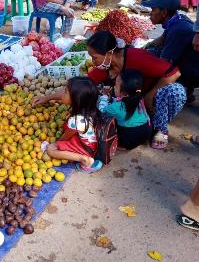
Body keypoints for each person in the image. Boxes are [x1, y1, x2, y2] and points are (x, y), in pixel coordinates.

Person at [33, 31, 187, 150]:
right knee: (98, 97)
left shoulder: (136, 57)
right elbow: (79, 88)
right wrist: (48, 97)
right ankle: (137, 127)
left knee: (176, 91)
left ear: (109, 54)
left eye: (94, 57)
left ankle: (160, 128)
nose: (93, 62)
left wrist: (150, 95)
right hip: (129, 105)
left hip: (150, 98)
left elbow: (174, 73)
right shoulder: (104, 68)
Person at [142, 0, 199, 104]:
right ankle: (187, 90)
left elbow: (163, 66)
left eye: (153, 9)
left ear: (163, 12)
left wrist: (151, 93)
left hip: (194, 72)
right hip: (191, 64)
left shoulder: (178, 31)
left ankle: (184, 90)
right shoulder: (178, 19)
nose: (150, 13)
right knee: (152, 51)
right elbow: (162, 38)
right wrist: (144, 47)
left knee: (155, 63)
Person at [39, 77, 103, 173]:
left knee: (51, 150)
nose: (62, 94)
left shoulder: (76, 120)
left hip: (87, 149)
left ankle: (84, 160)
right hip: (92, 142)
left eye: (65, 91)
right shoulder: (91, 110)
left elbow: (65, 137)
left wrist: (56, 144)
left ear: (75, 99)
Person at [98, 70, 152, 150]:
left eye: (116, 85)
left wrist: (104, 96)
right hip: (147, 130)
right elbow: (119, 100)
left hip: (130, 137)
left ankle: (123, 146)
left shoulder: (116, 107)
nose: (114, 86)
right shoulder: (139, 98)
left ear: (124, 92)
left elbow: (101, 110)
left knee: (103, 120)